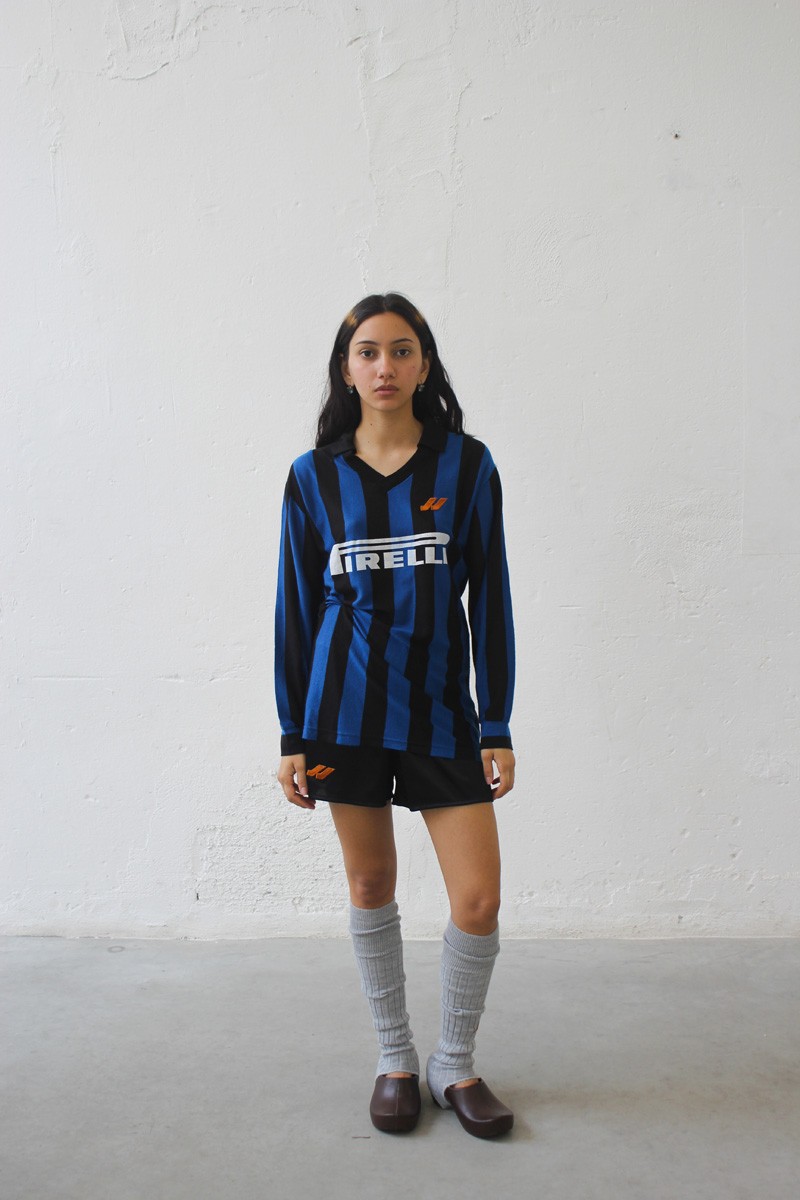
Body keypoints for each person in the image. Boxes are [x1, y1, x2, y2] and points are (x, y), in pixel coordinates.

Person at [274, 292, 516, 1139]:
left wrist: (496, 721)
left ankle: (456, 1062)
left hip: (443, 712)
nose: (385, 366)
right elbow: (295, 610)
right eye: (369, 352)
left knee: (478, 899)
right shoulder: (312, 477)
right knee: (371, 884)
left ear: (424, 364)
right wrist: (292, 733)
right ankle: (396, 1059)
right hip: (341, 714)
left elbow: (492, 599)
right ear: (346, 369)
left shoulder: (467, 466)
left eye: (402, 350)